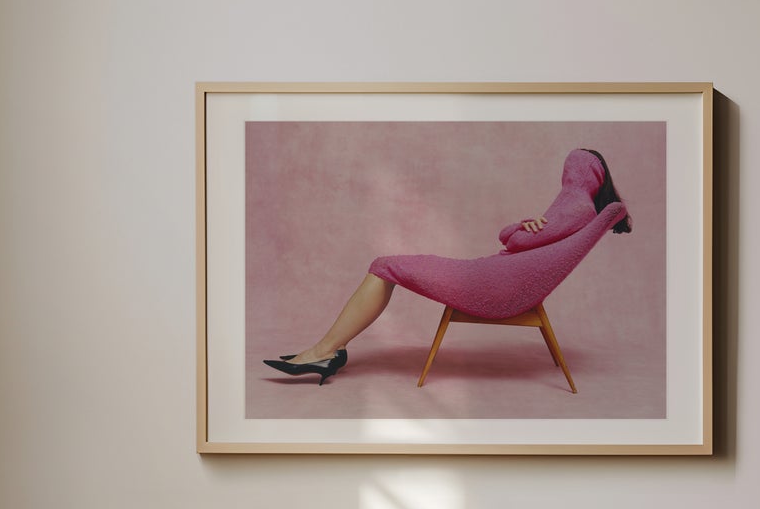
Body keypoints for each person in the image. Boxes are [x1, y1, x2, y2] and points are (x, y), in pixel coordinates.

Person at [263, 148, 630, 384]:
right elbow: (518, 239)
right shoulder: (578, 206)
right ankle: (326, 350)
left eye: (576, 161)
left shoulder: (575, 201)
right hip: (498, 278)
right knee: (387, 265)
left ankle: (323, 352)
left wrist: (520, 227)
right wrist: (524, 227)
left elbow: (513, 240)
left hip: (493, 284)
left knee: (383, 265)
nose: (570, 165)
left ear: (588, 171)